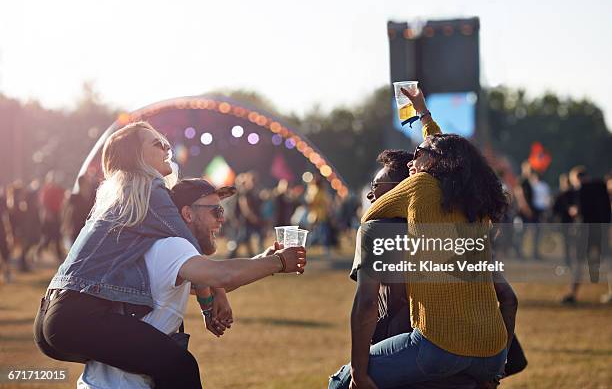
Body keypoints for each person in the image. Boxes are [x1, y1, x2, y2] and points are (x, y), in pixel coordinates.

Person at [331, 88, 510, 389]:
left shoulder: (420, 186)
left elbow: (372, 210)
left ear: (435, 163)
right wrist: (423, 112)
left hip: (440, 347)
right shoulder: (473, 202)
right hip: (492, 352)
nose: (414, 156)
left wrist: (360, 375)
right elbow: (445, 148)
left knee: (341, 381)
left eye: (419, 153)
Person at [34, 121, 233, 389]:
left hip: (54, 312)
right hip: (77, 315)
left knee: (165, 365)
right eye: (156, 143)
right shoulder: (149, 189)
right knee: (179, 365)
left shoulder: (121, 195)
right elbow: (192, 253)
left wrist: (211, 296)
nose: (166, 147)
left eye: (165, 142)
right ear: (135, 156)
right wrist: (213, 299)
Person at [76, 178, 307, 388]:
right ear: (187, 214)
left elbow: (216, 281)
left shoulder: (166, 246)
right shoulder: (171, 245)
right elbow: (221, 275)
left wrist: (264, 260)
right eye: (215, 211)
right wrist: (278, 262)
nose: (222, 218)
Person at [561, 166, 611, 304]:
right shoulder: (602, 187)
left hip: (584, 231)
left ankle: (572, 293)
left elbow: (579, 211)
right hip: (601, 230)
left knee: (578, 263)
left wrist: (574, 212)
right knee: (608, 261)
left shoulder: (581, 190)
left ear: (577, 178)